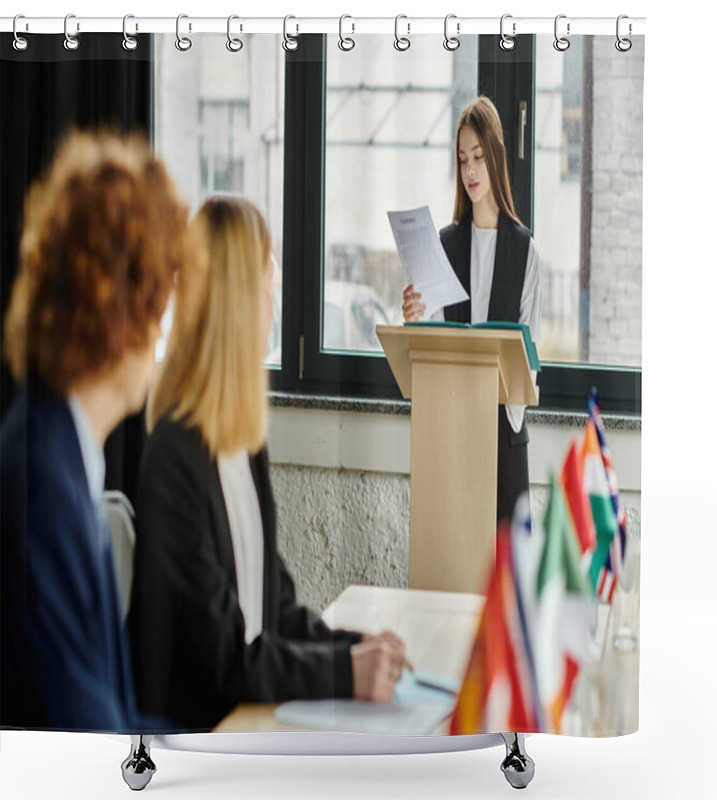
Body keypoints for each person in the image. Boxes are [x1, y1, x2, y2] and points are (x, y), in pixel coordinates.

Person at [128, 196, 409, 732]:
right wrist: (344, 674)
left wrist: (357, 649)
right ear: (238, 301)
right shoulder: (174, 458)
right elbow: (224, 662)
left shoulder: (241, 440)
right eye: (267, 280)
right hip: (202, 738)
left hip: (252, 716)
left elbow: (274, 609)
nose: (275, 300)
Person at [0, 130, 189, 730]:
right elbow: (93, 751)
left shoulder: (60, 446)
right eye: (158, 305)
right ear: (122, 312)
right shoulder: (44, 485)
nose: (161, 331)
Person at [402, 96, 541, 525]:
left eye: (479, 157)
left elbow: (528, 365)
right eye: (463, 160)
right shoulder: (444, 246)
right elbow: (433, 351)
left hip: (504, 440)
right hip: (452, 435)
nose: (470, 170)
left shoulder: (524, 250)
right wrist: (415, 319)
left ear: (495, 157)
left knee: (504, 580)